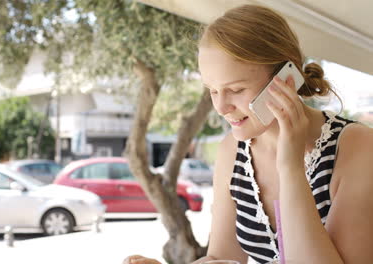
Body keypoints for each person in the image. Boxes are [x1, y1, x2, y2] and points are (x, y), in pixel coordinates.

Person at [123, 4, 373, 264]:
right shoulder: (233, 151)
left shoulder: (358, 147)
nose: (221, 107)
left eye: (236, 89)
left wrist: (290, 168)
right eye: (213, 90)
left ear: (287, 79)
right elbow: (223, 258)